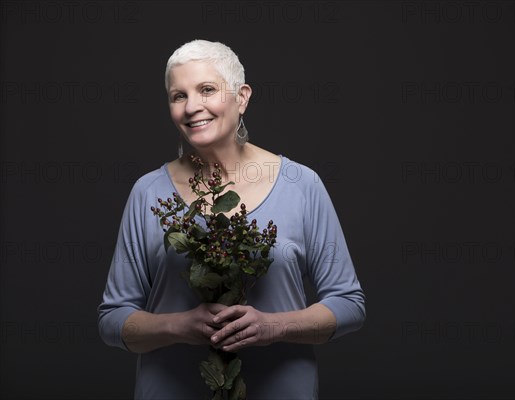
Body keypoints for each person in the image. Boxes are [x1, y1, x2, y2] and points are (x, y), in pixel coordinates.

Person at [97, 39, 366, 399]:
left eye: (206, 90)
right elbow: (112, 319)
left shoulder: (301, 185)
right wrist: (180, 325)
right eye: (178, 96)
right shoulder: (148, 192)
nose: (192, 107)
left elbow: (349, 304)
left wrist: (274, 326)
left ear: (241, 97)